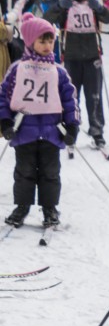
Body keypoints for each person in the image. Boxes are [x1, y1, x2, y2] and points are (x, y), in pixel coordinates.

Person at [1, 14, 78, 228]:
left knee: (50, 172)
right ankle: (22, 206)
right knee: (24, 171)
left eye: (50, 41)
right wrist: (5, 121)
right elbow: (3, 96)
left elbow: (70, 99)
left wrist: (72, 125)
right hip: (24, 131)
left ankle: (50, 208)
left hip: (52, 132)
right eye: (42, 41)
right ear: (30, 42)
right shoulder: (18, 68)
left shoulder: (59, 71)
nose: (47, 46)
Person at [44, 0, 109, 148]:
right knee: (71, 96)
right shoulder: (66, 5)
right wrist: (59, 6)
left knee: (94, 96)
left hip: (92, 57)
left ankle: (97, 131)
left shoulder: (92, 3)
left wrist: (100, 8)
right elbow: (46, 20)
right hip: (72, 58)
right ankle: (70, 130)